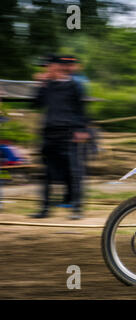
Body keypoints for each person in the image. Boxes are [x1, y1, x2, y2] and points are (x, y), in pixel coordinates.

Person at [30, 55, 90, 220]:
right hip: (49, 133)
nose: (46, 70)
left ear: (57, 67)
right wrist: (40, 84)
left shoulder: (74, 85)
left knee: (74, 172)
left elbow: (81, 109)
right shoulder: (47, 86)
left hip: (69, 133)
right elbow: (36, 104)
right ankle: (44, 208)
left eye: (48, 66)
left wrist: (81, 129)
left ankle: (76, 208)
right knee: (47, 173)